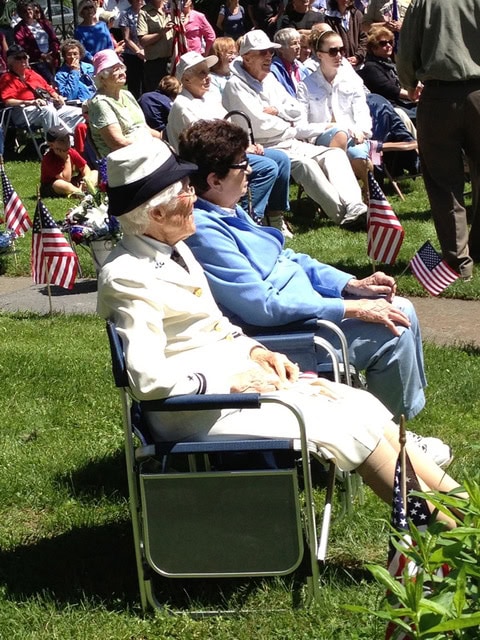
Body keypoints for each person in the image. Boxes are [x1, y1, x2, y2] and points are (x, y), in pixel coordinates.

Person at [96, 136, 458, 515]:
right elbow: (147, 379)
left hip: (235, 386)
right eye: (186, 190)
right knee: (347, 425)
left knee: (360, 404)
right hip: (196, 412)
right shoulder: (127, 275)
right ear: (156, 213)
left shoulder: (177, 250)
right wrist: (229, 382)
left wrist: (257, 351)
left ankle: (463, 514)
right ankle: (435, 532)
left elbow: (215, 324)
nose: (194, 195)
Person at [178, 119, 436, 430]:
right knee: (392, 330)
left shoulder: (228, 208)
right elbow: (261, 306)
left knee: (399, 307)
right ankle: (387, 437)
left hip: (305, 314)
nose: (250, 170)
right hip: (281, 337)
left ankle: (394, 428)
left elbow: (288, 256)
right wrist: (351, 307)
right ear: (214, 180)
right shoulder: (206, 232)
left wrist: (351, 284)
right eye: (241, 163)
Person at [222, 29, 367, 229]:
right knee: (307, 166)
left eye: (270, 52)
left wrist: (278, 111)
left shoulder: (269, 79)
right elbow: (261, 126)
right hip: (265, 147)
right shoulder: (235, 86)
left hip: (289, 140)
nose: (268, 57)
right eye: (262, 52)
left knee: (334, 155)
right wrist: (286, 121)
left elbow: (296, 110)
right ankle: (343, 217)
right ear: (247, 57)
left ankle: (355, 207)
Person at [167, 50, 293, 235]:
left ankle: (274, 216)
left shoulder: (210, 97)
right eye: (201, 73)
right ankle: (250, 217)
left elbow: (228, 126)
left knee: (281, 159)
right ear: (186, 80)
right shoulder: (183, 105)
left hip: (228, 151)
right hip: (206, 162)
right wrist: (242, 150)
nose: (208, 77)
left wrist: (247, 145)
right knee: (267, 167)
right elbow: (206, 145)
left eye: (208, 72)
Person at [396, 0, 479, 280]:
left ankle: (459, 262)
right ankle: (475, 249)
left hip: (438, 96)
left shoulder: (424, 2)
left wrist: (408, 83)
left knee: (444, 182)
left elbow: (405, 50)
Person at [296, 29, 372, 182]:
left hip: (354, 136)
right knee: (339, 133)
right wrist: (329, 127)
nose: (339, 55)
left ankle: (368, 199)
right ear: (319, 55)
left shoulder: (352, 81)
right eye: (333, 51)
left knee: (360, 158)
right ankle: (346, 195)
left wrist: (361, 131)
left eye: (341, 50)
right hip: (319, 141)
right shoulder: (306, 86)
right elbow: (300, 127)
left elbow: (362, 113)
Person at [88, 48, 161, 157]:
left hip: (145, 150)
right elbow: (118, 143)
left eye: (122, 68)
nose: (122, 73)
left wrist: (165, 138)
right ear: (102, 78)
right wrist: (150, 146)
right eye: (116, 70)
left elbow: (144, 128)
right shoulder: (101, 103)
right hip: (123, 159)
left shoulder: (127, 94)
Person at [0, 44, 84, 135]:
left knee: (79, 112)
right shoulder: (7, 78)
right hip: (23, 111)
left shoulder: (32, 73)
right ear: (10, 62)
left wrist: (57, 96)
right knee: (48, 111)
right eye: (18, 58)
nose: (23, 60)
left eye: (24, 57)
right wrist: (30, 102)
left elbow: (48, 88)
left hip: (47, 105)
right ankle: (55, 143)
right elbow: (8, 101)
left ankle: (69, 141)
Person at [358, 25, 417, 121]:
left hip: (401, 102)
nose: (388, 45)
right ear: (373, 47)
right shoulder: (371, 67)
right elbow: (389, 89)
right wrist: (412, 95)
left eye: (390, 42)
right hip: (389, 107)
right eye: (383, 43)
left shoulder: (390, 63)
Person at [40, 124, 98, 198]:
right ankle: (81, 193)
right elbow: (65, 179)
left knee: (95, 173)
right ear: (51, 145)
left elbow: (84, 168)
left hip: (71, 183)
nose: (67, 142)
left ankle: (82, 190)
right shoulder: (48, 158)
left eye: (67, 138)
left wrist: (86, 179)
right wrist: (66, 158)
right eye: (62, 140)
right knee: (59, 184)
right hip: (52, 186)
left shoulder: (71, 151)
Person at [13, 0, 60, 84]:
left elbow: (54, 39)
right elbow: (23, 46)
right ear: (20, 14)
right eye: (24, 11)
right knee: (49, 81)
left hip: (52, 57)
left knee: (58, 79)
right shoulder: (19, 29)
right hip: (36, 61)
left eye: (29, 9)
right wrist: (41, 55)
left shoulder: (44, 23)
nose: (28, 12)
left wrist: (53, 51)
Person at [137, 0, 173, 92]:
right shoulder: (144, 12)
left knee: (173, 94)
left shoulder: (172, 7)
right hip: (154, 64)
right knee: (156, 95)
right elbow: (143, 41)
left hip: (172, 61)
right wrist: (161, 33)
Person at [323, 0, 366, 68]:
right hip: (339, 65)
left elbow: (364, 38)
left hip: (358, 65)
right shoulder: (328, 19)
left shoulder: (357, 15)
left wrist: (357, 56)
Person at [271, 28, 308, 97]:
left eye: (299, 43)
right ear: (281, 48)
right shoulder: (273, 71)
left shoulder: (301, 68)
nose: (298, 47)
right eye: (294, 43)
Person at [118, 0, 144, 99]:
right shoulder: (126, 14)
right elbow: (126, 38)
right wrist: (138, 51)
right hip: (133, 55)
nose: (140, 1)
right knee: (135, 85)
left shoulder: (148, 12)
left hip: (149, 53)